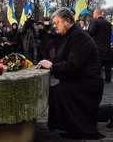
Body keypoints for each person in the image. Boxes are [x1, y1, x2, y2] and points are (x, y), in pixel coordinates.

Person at [37, 8, 104, 139]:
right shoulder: (68, 34)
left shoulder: (79, 36)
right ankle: (69, 126)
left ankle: (76, 128)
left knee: (58, 92)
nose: (54, 26)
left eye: (57, 22)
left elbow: (74, 65)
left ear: (67, 21)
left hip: (88, 83)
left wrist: (51, 66)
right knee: (57, 91)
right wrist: (50, 63)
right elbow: (60, 56)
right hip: (80, 79)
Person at [88, 8, 112, 83]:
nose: (93, 15)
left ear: (96, 13)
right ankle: (108, 79)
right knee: (107, 65)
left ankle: (96, 78)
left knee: (96, 64)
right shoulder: (108, 23)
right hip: (107, 47)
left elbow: (90, 32)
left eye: (93, 13)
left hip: (97, 47)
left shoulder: (95, 22)